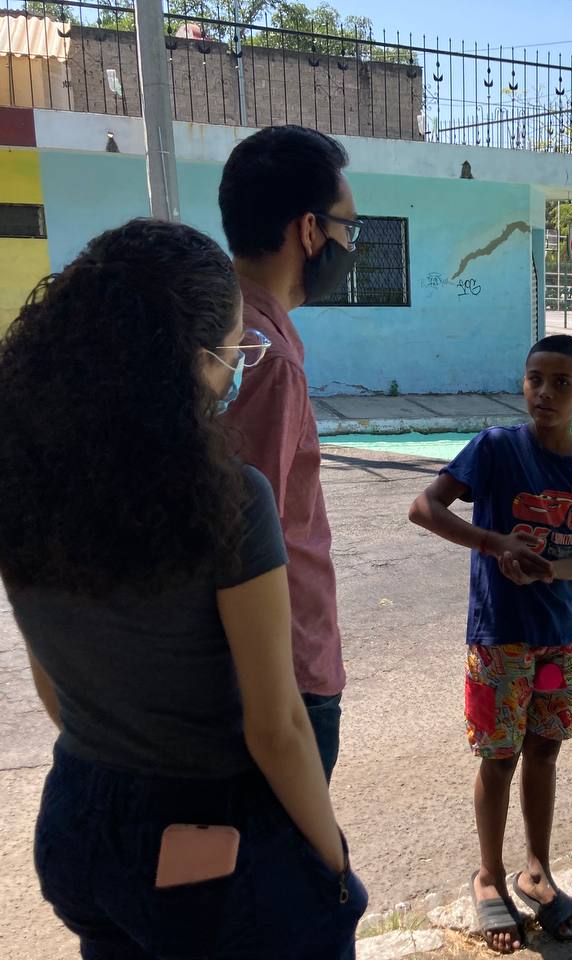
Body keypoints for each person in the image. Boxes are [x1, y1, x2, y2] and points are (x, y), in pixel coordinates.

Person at [0, 219, 367, 957]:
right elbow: (277, 727)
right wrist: (334, 868)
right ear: (194, 362)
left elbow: (53, 689)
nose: (236, 371)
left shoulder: (19, 476)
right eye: (236, 352)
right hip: (205, 838)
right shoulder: (229, 497)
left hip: (78, 816)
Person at [409, 335, 572, 953]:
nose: (546, 393)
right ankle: (488, 876)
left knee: (545, 752)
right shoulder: (495, 449)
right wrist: (496, 544)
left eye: (563, 383)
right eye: (536, 379)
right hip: (500, 637)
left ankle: (536, 870)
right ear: (523, 383)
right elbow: (423, 508)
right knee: (498, 758)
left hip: (561, 638)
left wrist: (548, 570)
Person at [219, 125, 362, 780]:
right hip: (281, 680)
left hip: (244, 677)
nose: (348, 246)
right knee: (291, 871)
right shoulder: (263, 360)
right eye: (346, 228)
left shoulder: (220, 327)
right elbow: (248, 549)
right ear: (309, 231)